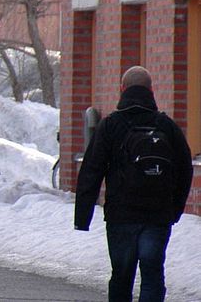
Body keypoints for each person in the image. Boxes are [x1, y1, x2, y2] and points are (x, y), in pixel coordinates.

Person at [75, 66, 193, 301]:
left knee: (121, 275)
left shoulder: (110, 126)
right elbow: (184, 169)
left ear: (122, 89)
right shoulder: (166, 126)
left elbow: (91, 171)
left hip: (121, 215)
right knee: (152, 274)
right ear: (151, 90)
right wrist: (175, 210)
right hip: (157, 216)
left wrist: (82, 217)